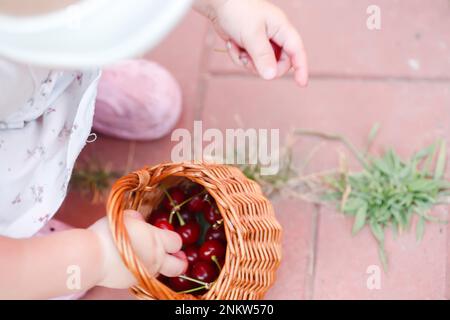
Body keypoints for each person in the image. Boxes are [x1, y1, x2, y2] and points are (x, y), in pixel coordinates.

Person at [0, 0, 308, 299]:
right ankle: (27, 242)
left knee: (54, 59)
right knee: (26, 272)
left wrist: (223, 5)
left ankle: (65, 78)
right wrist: (95, 257)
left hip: (33, 74)